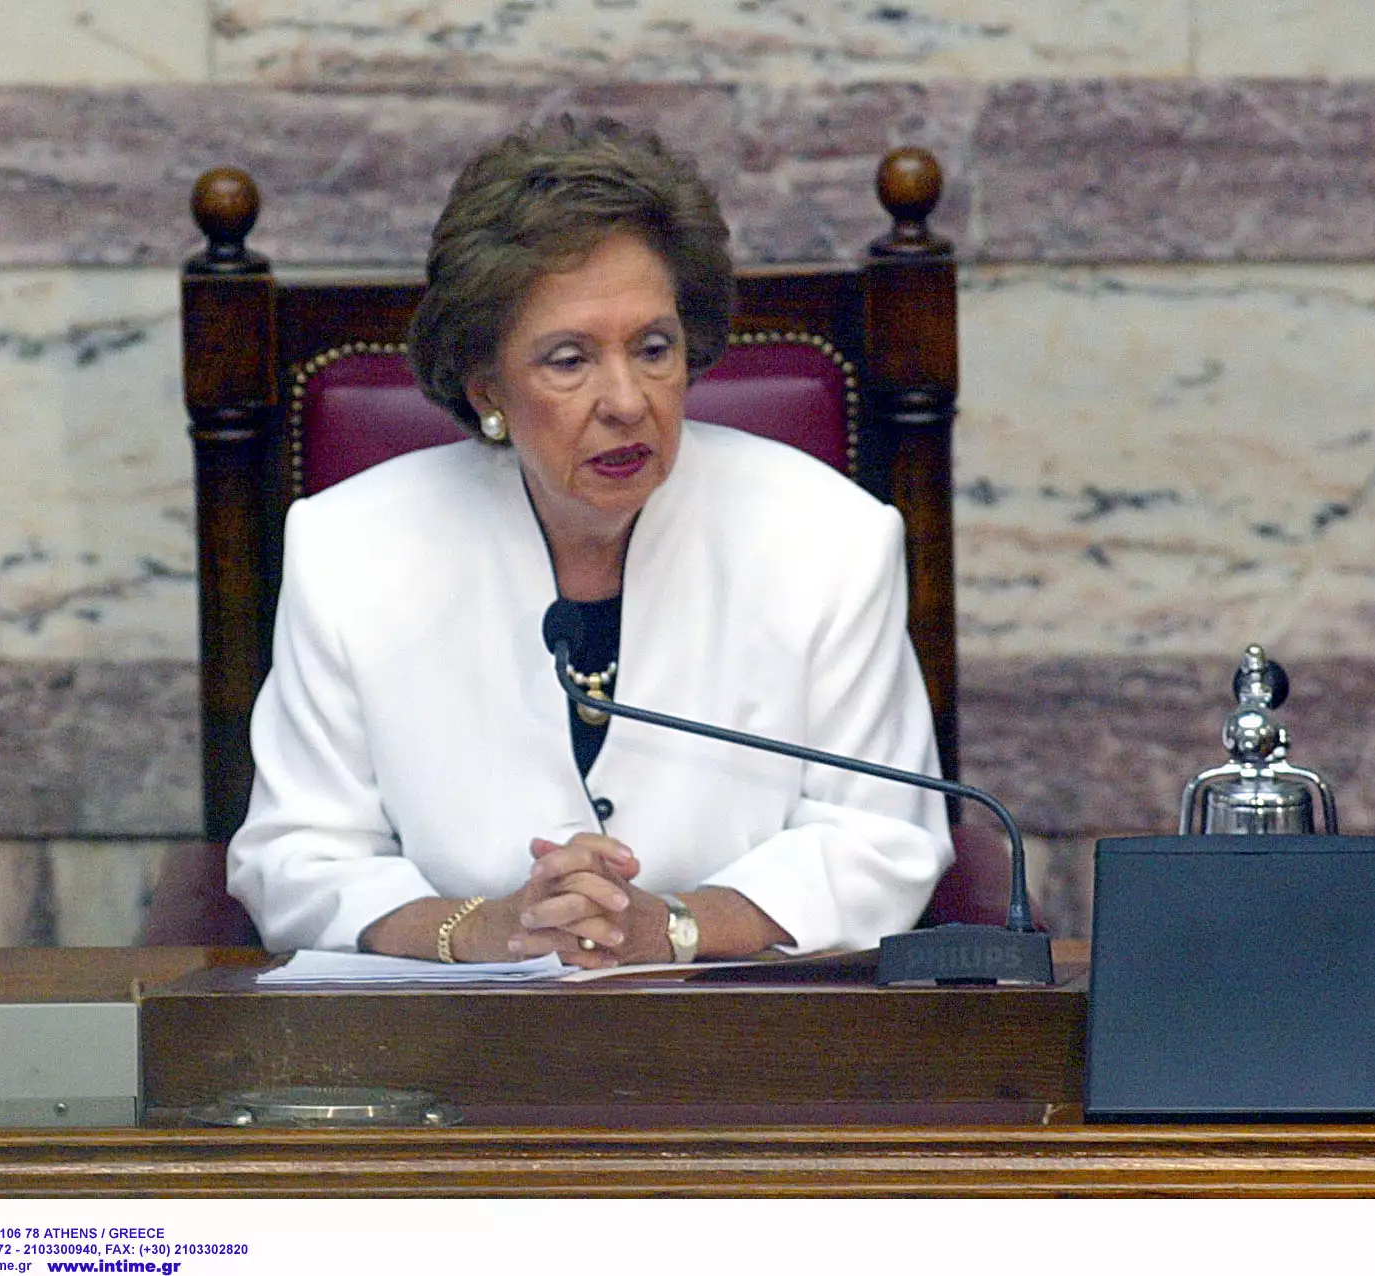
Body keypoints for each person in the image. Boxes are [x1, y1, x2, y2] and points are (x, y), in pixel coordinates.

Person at [228, 116, 952, 968]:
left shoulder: (827, 538)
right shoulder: (350, 550)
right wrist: (486, 930)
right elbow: (296, 857)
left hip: (737, 1019)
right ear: (486, 387)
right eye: (569, 360)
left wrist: (672, 927)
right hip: (452, 1031)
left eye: (653, 348)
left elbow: (880, 836)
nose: (627, 401)